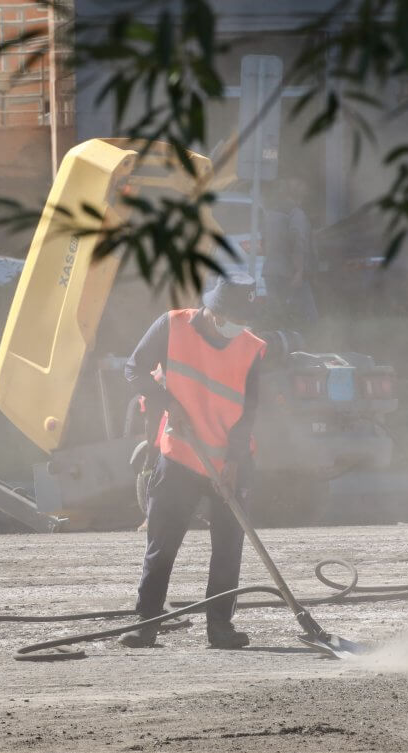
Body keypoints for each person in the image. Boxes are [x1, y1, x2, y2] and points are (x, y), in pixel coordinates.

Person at [120, 275, 266, 649]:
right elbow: (134, 368)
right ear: (216, 313)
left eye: (246, 321)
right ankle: (146, 623)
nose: (240, 328)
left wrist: (233, 462)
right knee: (162, 543)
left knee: (228, 546)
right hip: (181, 453)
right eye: (236, 319)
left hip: (230, 459)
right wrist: (167, 401)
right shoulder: (172, 326)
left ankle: (220, 628)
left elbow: (249, 412)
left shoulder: (252, 348)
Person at [261, 177, 318, 330]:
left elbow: (264, 242)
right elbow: (297, 239)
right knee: (309, 316)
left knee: (276, 315)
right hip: (289, 272)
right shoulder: (296, 213)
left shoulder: (271, 212)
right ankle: (308, 347)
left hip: (271, 271)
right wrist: (299, 272)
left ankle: (276, 346)